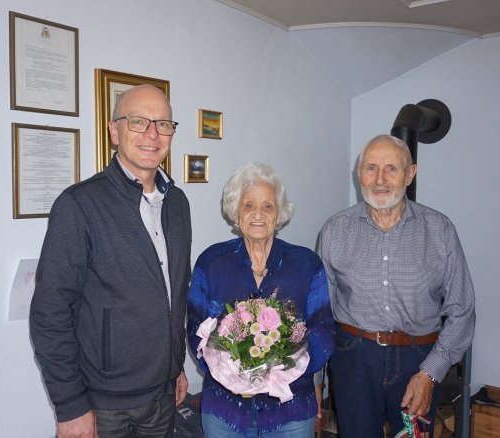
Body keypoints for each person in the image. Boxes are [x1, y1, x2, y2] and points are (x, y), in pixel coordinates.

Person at [30, 84, 191, 438]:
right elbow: (50, 313)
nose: (152, 134)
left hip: (163, 395)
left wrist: (175, 365)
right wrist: (70, 406)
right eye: (138, 121)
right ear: (114, 130)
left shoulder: (178, 203)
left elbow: (173, 294)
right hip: (104, 404)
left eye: (163, 124)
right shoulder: (79, 205)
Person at [317, 134, 476, 437]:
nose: (379, 179)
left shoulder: (439, 229)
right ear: (358, 173)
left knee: (411, 435)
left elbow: (462, 309)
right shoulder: (334, 230)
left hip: (418, 360)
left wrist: (430, 373)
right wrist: (316, 381)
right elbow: (319, 313)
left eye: (391, 168)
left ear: (410, 174)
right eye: (371, 168)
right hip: (354, 360)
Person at [186, 162, 335, 437]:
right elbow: (196, 327)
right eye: (248, 205)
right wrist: (230, 372)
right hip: (225, 409)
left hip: (289, 409)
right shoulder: (211, 262)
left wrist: (284, 367)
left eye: (268, 206)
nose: (258, 214)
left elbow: (323, 329)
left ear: (279, 214)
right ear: (235, 212)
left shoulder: (306, 265)